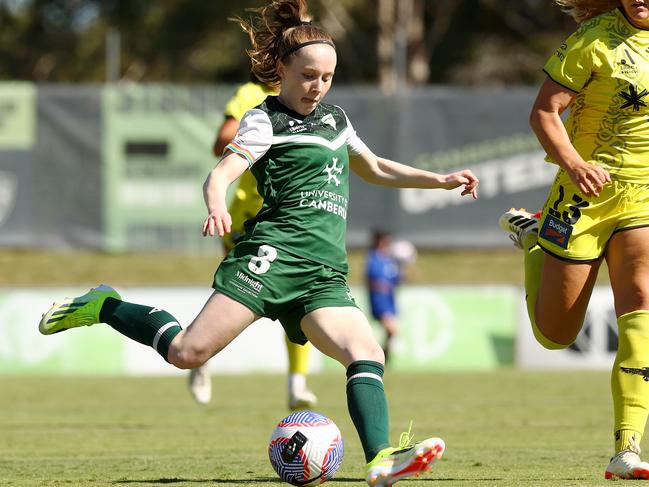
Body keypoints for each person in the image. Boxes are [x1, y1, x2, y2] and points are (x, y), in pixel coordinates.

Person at [39, 0, 479, 484]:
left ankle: (380, 461)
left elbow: (374, 167)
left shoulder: (335, 120)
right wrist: (217, 204)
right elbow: (221, 173)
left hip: (321, 273)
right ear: (283, 69)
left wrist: (439, 180)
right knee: (187, 352)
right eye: (309, 75)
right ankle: (105, 305)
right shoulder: (263, 119)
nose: (319, 86)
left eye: (328, 77)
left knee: (366, 353)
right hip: (271, 260)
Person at [499, 0, 649, 480]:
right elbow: (544, 112)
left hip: (642, 197)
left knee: (642, 304)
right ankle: (534, 242)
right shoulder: (594, 38)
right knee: (554, 335)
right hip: (581, 196)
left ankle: (627, 448)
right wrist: (575, 164)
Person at [188, 77, 318, 410]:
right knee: (236, 298)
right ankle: (197, 353)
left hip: (289, 220)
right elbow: (221, 143)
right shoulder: (254, 95)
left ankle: (296, 384)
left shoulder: (313, 104)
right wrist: (265, 128)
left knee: (297, 297)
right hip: (249, 218)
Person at [365, 229, 402, 364]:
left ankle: (381, 359)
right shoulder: (373, 258)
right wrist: (382, 286)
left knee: (392, 332)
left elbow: (395, 279)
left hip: (390, 300)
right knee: (392, 330)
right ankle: (380, 358)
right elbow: (371, 280)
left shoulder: (388, 259)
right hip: (379, 301)